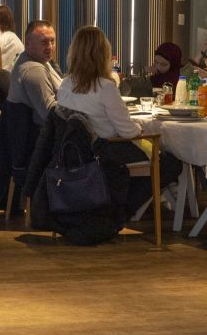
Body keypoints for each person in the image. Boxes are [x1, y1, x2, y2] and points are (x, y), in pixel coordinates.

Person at [57, 26, 181, 213]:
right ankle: (122, 210)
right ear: (102, 55)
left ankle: (118, 206)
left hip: (77, 152)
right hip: (107, 152)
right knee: (172, 163)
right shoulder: (105, 87)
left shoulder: (65, 84)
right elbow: (128, 131)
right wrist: (141, 129)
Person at [6, 19, 62, 126]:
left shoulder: (37, 59)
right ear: (28, 44)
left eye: (52, 41)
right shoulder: (33, 69)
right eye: (44, 42)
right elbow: (51, 114)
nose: (50, 47)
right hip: (39, 134)